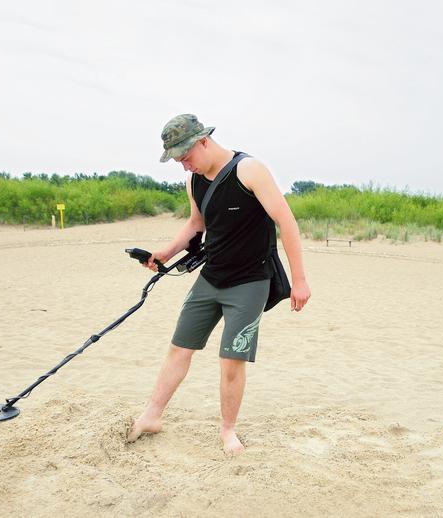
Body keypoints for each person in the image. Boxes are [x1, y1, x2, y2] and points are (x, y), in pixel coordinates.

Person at [127, 114, 311, 454]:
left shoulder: (250, 170)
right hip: (210, 278)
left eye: (186, 158)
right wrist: (164, 253)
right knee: (180, 348)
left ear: (203, 141)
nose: (184, 167)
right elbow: (196, 224)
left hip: (250, 282)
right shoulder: (194, 182)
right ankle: (152, 416)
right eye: (178, 162)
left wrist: (299, 281)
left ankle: (228, 431)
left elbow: (287, 223)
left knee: (231, 360)